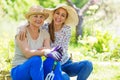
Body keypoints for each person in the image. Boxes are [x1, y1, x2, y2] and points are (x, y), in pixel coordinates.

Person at [18, 4, 93, 80]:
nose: (59, 17)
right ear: (53, 14)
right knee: (65, 77)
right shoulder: (45, 27)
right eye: (57, 13)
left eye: (63, 15)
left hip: (66, 63)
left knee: (88, 65)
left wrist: (45, 49)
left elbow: (61, 51)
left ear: (65, 18)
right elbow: (32, 22)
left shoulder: (66, 29)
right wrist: (23, 27)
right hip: (52, 64)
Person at [10, 5, 63, 80]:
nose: (39, 19)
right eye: (35, 16)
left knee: (53, 60)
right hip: (19, 70)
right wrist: (44, 51)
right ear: (29, 18)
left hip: (37, 70)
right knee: (36, 60)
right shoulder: (22, 32)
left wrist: (53, 51)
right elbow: (27, 53)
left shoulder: (45, 34)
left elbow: (48, 52)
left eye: (41, 16)